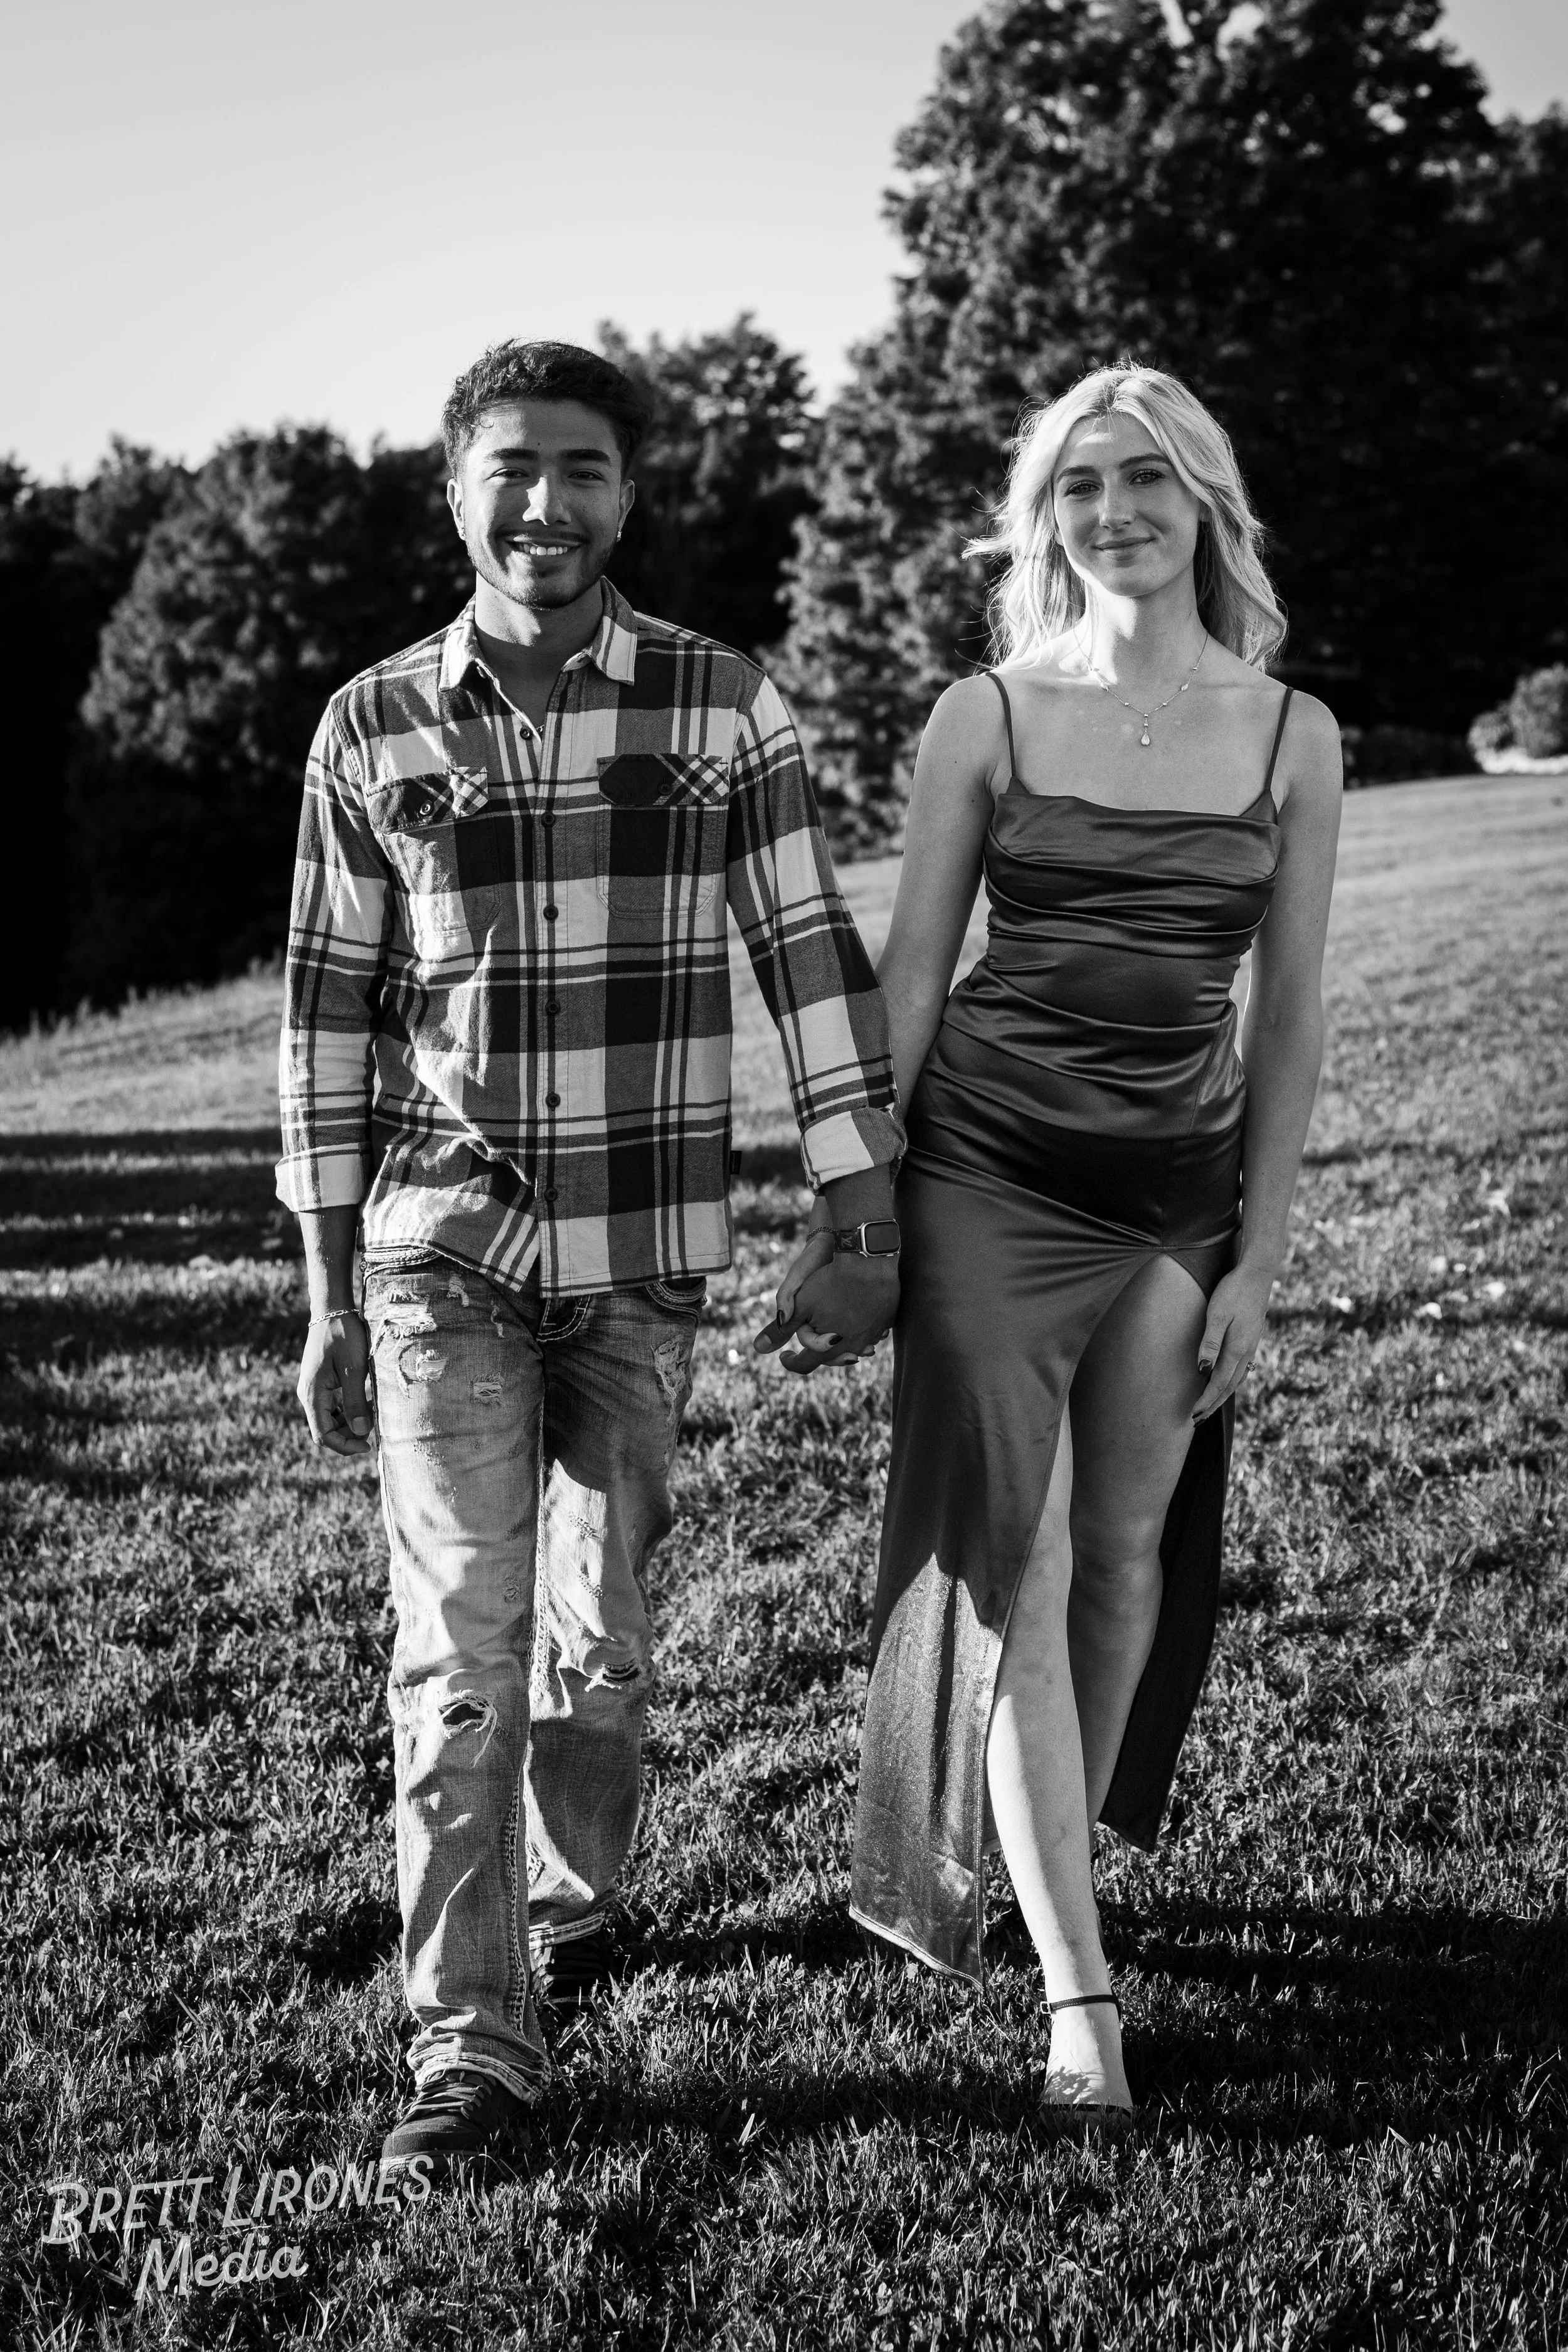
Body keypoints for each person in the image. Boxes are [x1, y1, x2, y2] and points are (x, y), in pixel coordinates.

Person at [277, 339, 903, 2176]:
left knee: (601, 1633)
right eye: (509, 468)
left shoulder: (718, 706)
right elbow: (323, 1024)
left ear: (629, 494)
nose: (543, 503)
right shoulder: (371, 724)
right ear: (453, 489)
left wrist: (858, 1207)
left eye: (582, 470)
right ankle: (470, 2045)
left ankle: (575, 1894)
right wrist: (323, 1286)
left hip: (642, 1255)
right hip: (439, 1249)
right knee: (456, 1650)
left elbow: (805, 956)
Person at [793, 361, 1341, 2119]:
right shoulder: (986, 713)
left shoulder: (1289, 732)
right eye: (1079, 488)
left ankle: (1058, 1875)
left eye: (1145, 482)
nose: (1113, 514)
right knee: (1007, 1562)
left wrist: (1257, 1254)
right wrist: (848, 1193)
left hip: (1177, 1188)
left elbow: (1289, 1017)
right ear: (1044, 520)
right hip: (989, 1174)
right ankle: (1076, 1993)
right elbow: (905, 983)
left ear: (1203, 504)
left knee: (1123, 1552)